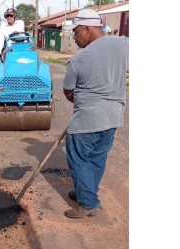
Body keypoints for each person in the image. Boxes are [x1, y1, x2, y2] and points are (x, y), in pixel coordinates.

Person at [62, 9, 129, 218]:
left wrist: (85, 102)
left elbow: (68, 91)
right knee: (97, 159)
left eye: (76, 33)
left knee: (80, 160)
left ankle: (89, 204)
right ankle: (86, 192)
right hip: (113, 118)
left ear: (87, 29)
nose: (74, 37)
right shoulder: (124, 44)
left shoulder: (79, 59)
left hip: (87, 121)